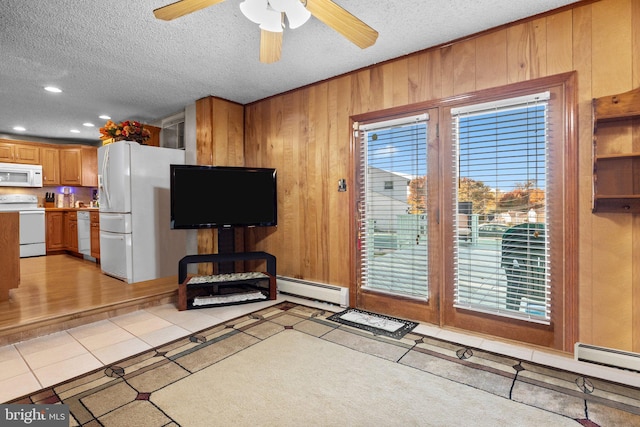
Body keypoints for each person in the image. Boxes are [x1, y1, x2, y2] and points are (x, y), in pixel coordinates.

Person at [501, 223, 546, 312]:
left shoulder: (511, 238)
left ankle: (511, 319)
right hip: (549, 287)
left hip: (520, 285)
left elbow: (506, 263)